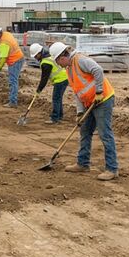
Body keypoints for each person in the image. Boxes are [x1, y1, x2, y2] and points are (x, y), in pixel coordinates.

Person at [49, 42, 118, 180]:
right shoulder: (69, 69)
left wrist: (99, 92)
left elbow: (98, 70)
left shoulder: (80, 60)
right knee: (85, 131)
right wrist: (80, 112)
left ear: (62, 57)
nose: (58, 64)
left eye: (57, 61)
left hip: (103, 100)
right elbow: (78, 92)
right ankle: (83, 163)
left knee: (105, 134)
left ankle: (112, 169)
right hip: (89, 102)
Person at [29, 43, 68, 124]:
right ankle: (59, 116)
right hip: (64, 77)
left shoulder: (45, 63)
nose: (35, 58)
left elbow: (44, 79)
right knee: (58, 98)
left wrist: (39, 90)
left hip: (60, 80)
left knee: (56, 99)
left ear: (39, 53)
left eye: (36, 56)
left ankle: (55, 118)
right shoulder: (49, 56)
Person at [0, 24, 25, 108]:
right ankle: (12, 99)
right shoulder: (7, 34)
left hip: (15, 61)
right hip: (19, 57)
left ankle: (13, 102)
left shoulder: (3, 43)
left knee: (13, 81)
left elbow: (3, 58)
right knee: (13, 81)